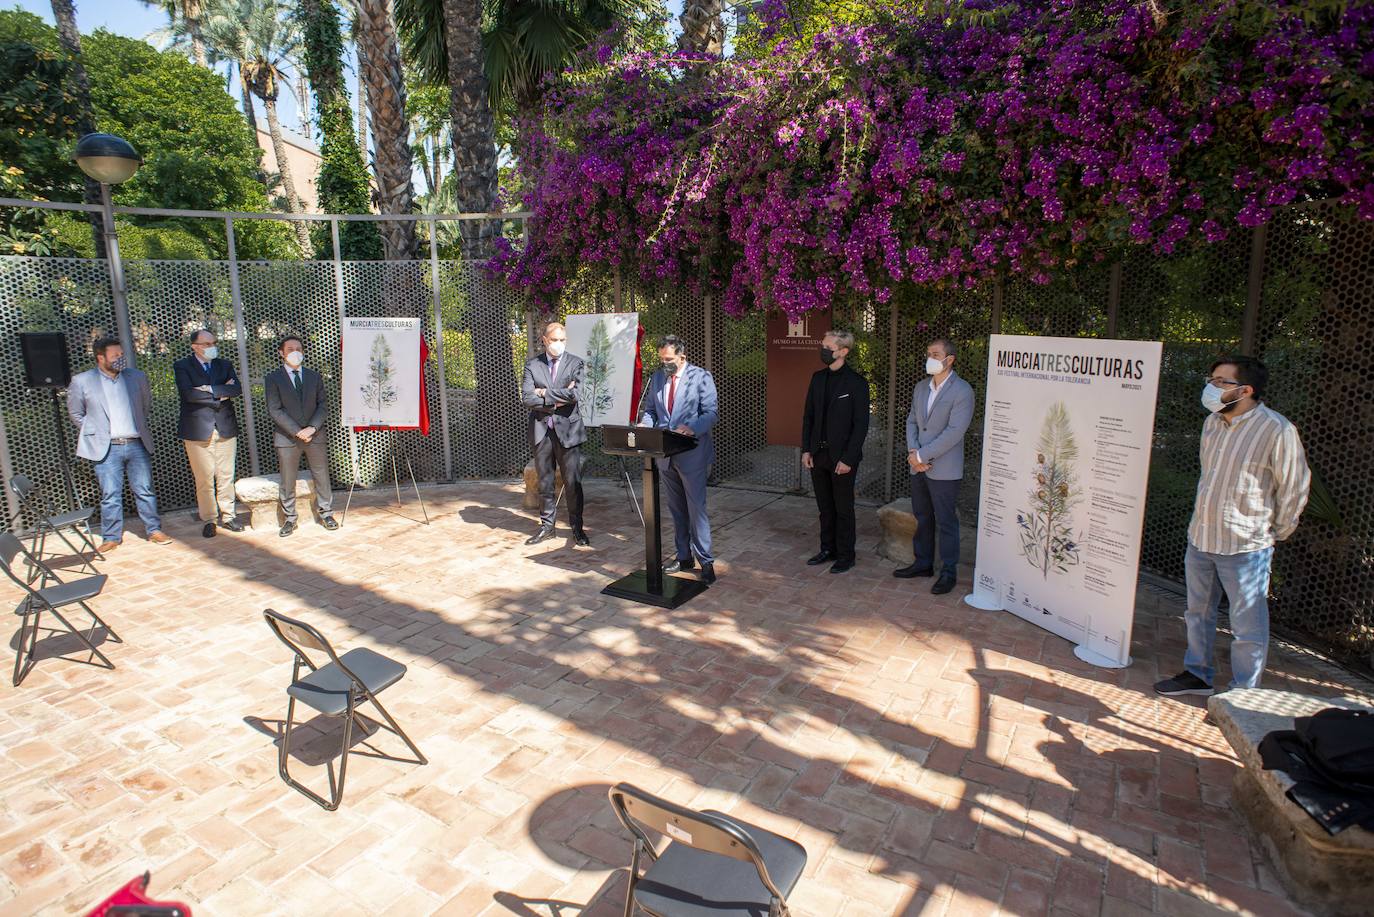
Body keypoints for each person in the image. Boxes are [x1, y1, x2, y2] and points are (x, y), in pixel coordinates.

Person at [1155, 356, 1310, 696]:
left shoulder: (1277, 429)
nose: (1211, 387)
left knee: (1247, 626)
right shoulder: (1212, 424)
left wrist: (1275, 531)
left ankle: (1243, 695)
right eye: (1211, 379)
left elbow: (1294, 486)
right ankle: (1197, 674)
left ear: (1246, 390)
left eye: (1220, 381)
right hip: (1202, 537)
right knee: (1197, 612)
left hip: (1245, 546)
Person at [67, 336, 171, 551]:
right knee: (110, 494)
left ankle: (154, 530)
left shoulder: (137, 377)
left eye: (121, 355)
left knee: (144, 489)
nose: (120, 359)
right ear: (100, 357)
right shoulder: (82, 381)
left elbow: (145, 405)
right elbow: (76, 413)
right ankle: (111, 537)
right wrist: (96, 432)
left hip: (136, 443)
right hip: (106, 448)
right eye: (115, 356)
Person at [895, 337, 974, 595]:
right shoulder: (921, 388)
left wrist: (922, 456)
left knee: (946, 521)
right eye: (928, 352)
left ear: (949, 359)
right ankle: (923, 563)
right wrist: (913, 453)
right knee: (923, 517)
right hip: (918, 465)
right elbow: (911, 421)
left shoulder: (962, 391)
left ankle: (948, 571)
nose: (930, 357)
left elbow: (954, 432)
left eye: (936, 354)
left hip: (944, 469)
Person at [640, 335, 719, 584]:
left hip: (691, 454)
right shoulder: (657, 378)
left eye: (670, 359)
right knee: (676, 510)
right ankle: (683, 556)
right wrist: (645, 424)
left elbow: (711, 413)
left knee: (697, 510)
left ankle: (705, 562)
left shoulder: (701, 377)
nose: (666, 363)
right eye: (662, 359)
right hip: (665, 456)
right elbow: (652, 411)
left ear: (682, 356)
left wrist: (691, 428)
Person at [801, 330, 870, 573]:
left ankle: (846, 555)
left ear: (843, 351)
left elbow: (861, 425)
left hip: (842, 459)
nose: (823, 350)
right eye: (823, 345)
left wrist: (848, 459)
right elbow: (808, 416)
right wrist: (806, 449)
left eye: (828, 347)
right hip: (818, 455)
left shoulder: (857, 383)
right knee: (825, 507)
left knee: (843, 508)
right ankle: (827, 548)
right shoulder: (817, 378)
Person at [521, 321, 588, 546]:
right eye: (554, 340)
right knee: (545, 482)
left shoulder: (576, 363)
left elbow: (575, 394)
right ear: (545, 340)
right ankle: (547, 527)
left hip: (568, 430)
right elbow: (527, 398)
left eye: (562, 340)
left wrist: (544, 393)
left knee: (572, 482)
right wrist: (557, 397)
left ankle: (577, 528)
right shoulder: (533, 365)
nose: (559, 344)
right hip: (542, 430)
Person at [264, 335, 338, 537]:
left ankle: (326, 513)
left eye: (298, 348)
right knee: (287, 479)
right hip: (288, 438)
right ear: (281, 353)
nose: (295, 352)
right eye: (290, 349)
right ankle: (289, 519)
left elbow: (323, 405)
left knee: (321, 475)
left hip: (315, 436)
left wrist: (312, 428)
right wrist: (297, 431)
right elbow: (275, 409)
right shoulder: (273, 378)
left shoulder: (315, 376)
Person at [174, 329, 243, 538]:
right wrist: (220, 391)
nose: (211, 346)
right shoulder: (183, 366)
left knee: (226, 475)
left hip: (225, 427)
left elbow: (235, 390)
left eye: (213, 342)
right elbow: (189, 394)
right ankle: (210, 519)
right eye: (206, 344)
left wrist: (208, 389)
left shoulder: (224, 365)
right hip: (197, 430)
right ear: (194, 346)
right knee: (204, 478)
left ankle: (229, 515)